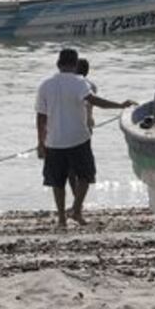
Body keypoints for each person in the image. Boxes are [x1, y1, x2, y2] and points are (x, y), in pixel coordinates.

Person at [36, 48, 135, 228]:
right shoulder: (80, 82)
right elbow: (94, 101)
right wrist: (120, 105)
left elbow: (41, 117)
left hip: (54, 141)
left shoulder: (45, 85)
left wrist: (40, 142)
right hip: (78, 138)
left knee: (58, 182)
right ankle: (76, 209)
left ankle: (61, 219)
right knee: (85, 176)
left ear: (58, 64)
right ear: (75, 65)